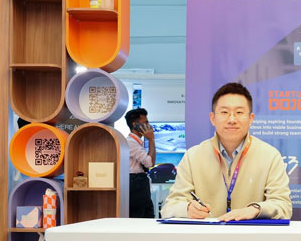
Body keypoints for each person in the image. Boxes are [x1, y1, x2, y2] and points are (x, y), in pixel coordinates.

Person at [161, 83, 291, 220]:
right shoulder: (193, 156)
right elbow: (170, 207)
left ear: (251, 119)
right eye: (224, 112)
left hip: (250, 233)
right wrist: (187, 209)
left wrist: (256, 210)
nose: (232, 119)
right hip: (205, 233)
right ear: (212, 118)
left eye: (239, 112)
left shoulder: (270, 156)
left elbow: (283, 206)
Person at [125, 108, 156, 218]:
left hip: (139, 183)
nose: (149, 126)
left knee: (147, 217)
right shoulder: (130, 142)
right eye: (145, 123)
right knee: (139, 218)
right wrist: (151, 140)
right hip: (135, 184)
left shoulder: (136, 142)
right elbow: (149, 163)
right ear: (135, 124)